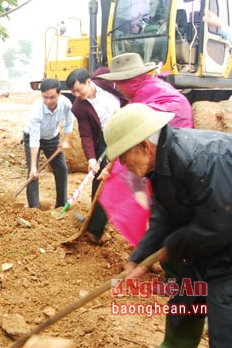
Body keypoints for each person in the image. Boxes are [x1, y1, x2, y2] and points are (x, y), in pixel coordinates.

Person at [103, 103, 232, 348]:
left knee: (225, 329)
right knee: (183, 308)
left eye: (125, 157)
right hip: (208, 244)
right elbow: (164, 215)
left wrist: (172, 247)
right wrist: (139, 257)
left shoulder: (199, 159)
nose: (124, 165)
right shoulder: (161, 165)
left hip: (225, 247)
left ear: (143, 145)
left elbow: (218, 224)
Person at [93, 52, 194, 244]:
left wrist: (115, 167)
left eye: (121, 82)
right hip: (159, 150)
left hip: (170, 147)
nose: (119, 88)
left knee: (151, 189)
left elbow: (137, 143)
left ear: (131, 80)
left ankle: (168, 250)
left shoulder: (152, 97)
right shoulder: (141, 94)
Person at [66, 67, 125, 241]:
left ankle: (98, 222)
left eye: (78, 89)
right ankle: (95, 226)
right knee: (100, 180)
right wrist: (92, 159)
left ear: (89, 82)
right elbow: (86, 134)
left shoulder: (105, 78)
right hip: (106, 140)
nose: (76, 94)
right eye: (73, 92)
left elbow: (125, 88)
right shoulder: (79, 107)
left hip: (129, 129)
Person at [23, 78, 74, 209]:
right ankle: (34, 208)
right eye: (45, 97)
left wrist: (65, 140)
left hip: (52, 138)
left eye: (52, 97)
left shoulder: (66, 104)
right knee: (33, 173)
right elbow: (34, 140)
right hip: (33, 137)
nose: (48, 101)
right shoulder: (36, 110)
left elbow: (69, 122)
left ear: (60, 94)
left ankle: (61, 204)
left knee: (61, 169)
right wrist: (34, 166)